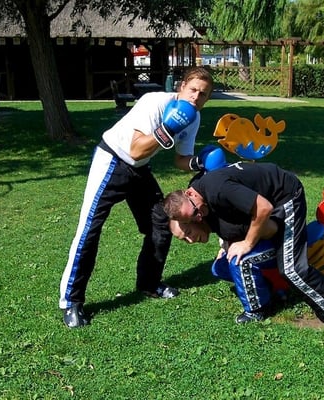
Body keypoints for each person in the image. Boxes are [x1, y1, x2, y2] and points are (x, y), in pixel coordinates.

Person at [59, 67, 214, 328]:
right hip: (112, 160)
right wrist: (167, 127)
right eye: (193, 90)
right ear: (181, 87)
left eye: (203, 94)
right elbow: (136, 149)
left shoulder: (193, 118)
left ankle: (149, 283)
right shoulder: (154, 103)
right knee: (89, 229)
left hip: (139, 170)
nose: (196, 97)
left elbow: (180, 159)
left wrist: (199, 162)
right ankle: (71, 302)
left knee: (160, 221)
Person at [163, 161, 324, 334]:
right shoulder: (198, 195)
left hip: (285, 196)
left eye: (196, 213)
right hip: (268, 206)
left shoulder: (218, 189)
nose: (199, 217)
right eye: (192, 219)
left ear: (189, 193)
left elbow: (264, 208)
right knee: (251, 261)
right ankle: (264, 301)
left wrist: (247, 243)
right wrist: (227, 243)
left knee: (292, 268)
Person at [169, 218, 291, 323]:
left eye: (189, 232)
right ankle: (265, 289)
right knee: (219, 268)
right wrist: (224, 247)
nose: (190, 240)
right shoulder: (214, 222)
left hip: (280, 241)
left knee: (238, 260)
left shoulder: (219, 213)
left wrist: (246, 244)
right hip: (257, 244)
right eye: (184, 239)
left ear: (196, 219)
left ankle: (257, 309)